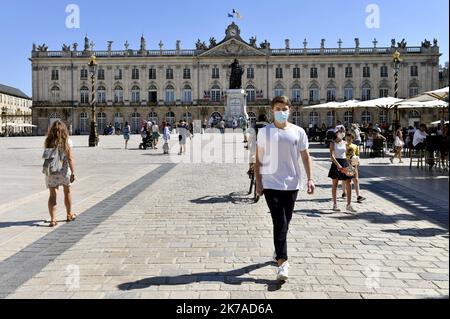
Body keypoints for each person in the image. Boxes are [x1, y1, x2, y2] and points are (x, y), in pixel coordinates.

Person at [255, 96, 315, 282]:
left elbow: (306, 157)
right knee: (279, 222)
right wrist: (258, 182)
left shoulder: (298, 132)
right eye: (278, 108)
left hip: (291, 184)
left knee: (286, 221)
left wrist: (310, 179)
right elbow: (257, 159)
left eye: (284, 108)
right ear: (272, 110)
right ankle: (282, 262)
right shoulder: (264, 132)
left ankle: (278, 247)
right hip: (271, 183)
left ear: (290, 109)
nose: (281, 112)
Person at [43, 120, 77, 227]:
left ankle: (53, 220)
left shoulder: (48, 141)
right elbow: (70, 158)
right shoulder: (67, 141)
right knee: (67, 192)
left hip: (51, 170)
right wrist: (73, 172)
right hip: (64, 170)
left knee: (52, 195)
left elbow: (47, 156)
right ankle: (69, 215)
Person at [329, 130, 357, 213]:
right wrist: (338, 165)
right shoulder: (332, 143)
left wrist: (352, 164)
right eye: (340, 133)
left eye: (342, 133)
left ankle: (349, 204)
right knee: (335, 183)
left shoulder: (345, 142)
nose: (342, 134)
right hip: (336, 163)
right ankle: (335, 204)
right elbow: (331, 156)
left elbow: (348, 154)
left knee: (349, 181)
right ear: (336, 135)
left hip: (345, 162)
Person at [341, 133, 366, 203]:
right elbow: (340, 155)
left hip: (353, 164)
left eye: (350, 138)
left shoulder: (355, 146)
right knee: (345, 180)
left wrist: (358, 162)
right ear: (345, 138)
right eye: (347, 138)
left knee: (356, 180)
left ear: (352, 139)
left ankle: (358, 196)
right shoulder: (343, 146)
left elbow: (357, 156)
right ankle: (344, 192)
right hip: (346, 164)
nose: (348, 140)